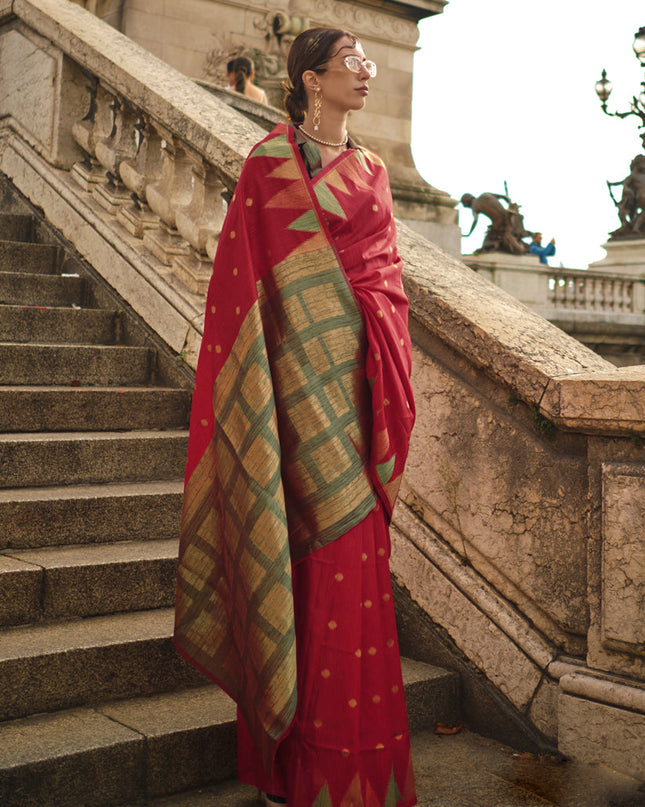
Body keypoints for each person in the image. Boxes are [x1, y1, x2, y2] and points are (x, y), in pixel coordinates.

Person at [174, 26, 416, 807]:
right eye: (352, 60)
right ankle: (292, 762)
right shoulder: (267, 167)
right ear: (311, 78)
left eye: (368, 60)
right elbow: (240, 291)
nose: (366, 72)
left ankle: (348, 768)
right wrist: (270, 378)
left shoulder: (374, 172)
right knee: (291, 558)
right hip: (279, 397)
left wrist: (359, 327)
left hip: (352, 392)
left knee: (349, 566)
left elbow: (385, 278)